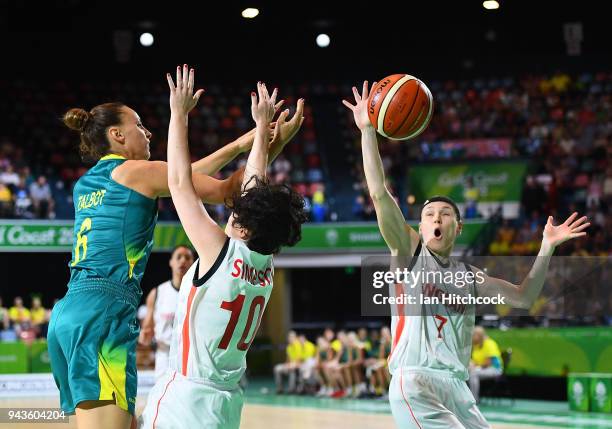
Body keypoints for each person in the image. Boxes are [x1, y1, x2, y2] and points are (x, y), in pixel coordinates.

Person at [47, 65, 304, 429]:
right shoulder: (138, 172)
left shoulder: (84, 184)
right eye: (139, 125)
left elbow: (186, 175)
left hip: (68, 310)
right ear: (117, 135)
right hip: (105, 313)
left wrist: (258, 137)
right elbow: (208, 185)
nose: (147, 130)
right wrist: (256, 139)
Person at [344, 81, 590, 429]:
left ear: (458, 227)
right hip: (416, 382)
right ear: (420, 226)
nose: (436, 219)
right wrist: (368, 131)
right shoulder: (409, 253)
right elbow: (379, 193)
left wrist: (546, 249)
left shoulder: (470, 277)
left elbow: (524, 298)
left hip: (458, 389)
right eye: (429, 215)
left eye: (445, 214)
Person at [140, 67, 306, 428]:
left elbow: (179, 181)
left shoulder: (219, 251)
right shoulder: (265, 267)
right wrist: (264, 134)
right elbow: (253, 192)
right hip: (227, 404)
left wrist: (178, 113)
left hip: (184, 400)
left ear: (242, 224)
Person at [138, 245, 196, 380]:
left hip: (191, 358)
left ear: (193, 263)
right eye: (178, 257)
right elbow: (147, 332)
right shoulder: (157, 293)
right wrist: (144, 336)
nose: (182, 261)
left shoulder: (200, 292)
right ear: (171, 262)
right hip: (165, 357)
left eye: (187, 258)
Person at [469, 326, 503, 403]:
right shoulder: (476, 345)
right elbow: (476, 360)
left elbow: (488, 362)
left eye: (473, 335)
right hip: (482, 368)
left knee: (473, 374)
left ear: (479, 336)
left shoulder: (489, 343)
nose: (472, 337)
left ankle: (474, 400)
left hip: (494, 369)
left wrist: (475, 366)